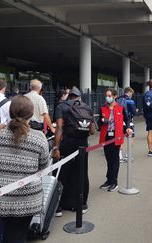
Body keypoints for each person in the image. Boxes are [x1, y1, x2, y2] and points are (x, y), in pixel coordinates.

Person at [0, 95, 49, 243]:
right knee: (18, 234)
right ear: (31, 114)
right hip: (27, 199)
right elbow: (43, 166)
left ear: (10, 112)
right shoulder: (39, 137)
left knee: (9, 232)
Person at [52, 87, 95, 216]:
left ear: (69, 96)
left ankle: (58, 206)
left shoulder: (61, 106)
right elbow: (92, 131)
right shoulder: (87, 107)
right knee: (82, 172)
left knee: (62, 172)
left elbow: (59, 128)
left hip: (67, 143)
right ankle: (82, 205)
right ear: (79, 97)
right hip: (82, 144)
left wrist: (56, 147)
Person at [98, 88, 132, 192]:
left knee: (115, 159)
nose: (107, 97)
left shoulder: (120, 108)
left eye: (109, 95)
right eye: (106, 95)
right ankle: (108, 180)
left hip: (116, 136)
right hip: (106, 136)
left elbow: (127, 119)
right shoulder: (103, 108)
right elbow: (99, 123)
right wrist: (102, 121)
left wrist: (127, 127)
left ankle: (114, 182)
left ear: (115, 96)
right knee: (108, 159)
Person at [117, 87, 136, 162]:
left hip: (119, 121)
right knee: (131, 137)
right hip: (128, 121)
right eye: (131, 93)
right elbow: (134, 111)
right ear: (129, 92)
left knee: (120, 138)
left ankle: (119, 155)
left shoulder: (118, 99)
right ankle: (128, 155)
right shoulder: (130, 101)